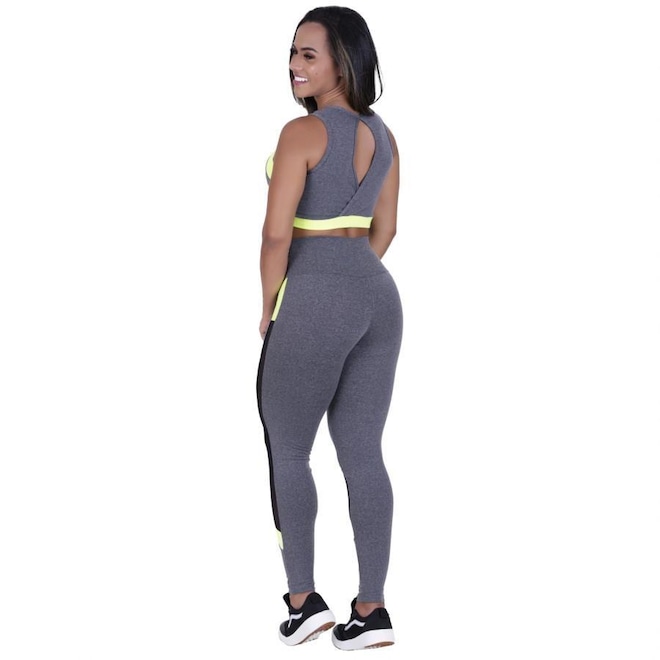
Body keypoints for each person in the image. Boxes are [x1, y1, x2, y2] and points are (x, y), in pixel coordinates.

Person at [256, 6, 403, 651]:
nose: (294, 65)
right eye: (292, 53)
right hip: (378, 298)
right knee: (363, 453)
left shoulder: (302, 132)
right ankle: (371, 610)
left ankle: (303, 601)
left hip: (313, 296)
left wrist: (273, 304)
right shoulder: (385, 136)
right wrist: (352, 278)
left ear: (344, 60)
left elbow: (275, 235)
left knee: (289, 450)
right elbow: (385, 228)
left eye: (308, 54)